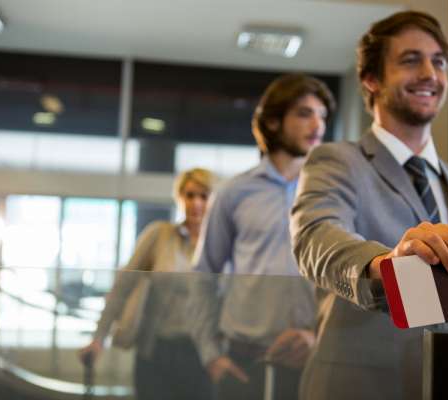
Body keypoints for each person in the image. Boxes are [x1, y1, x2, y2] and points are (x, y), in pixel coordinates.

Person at [290, 11, 448, 400]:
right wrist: (389, 264)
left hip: (444, 381)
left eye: (439, 62)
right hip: (355, 387)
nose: (430, 73)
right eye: (411, 60)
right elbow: (315, 238)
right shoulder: (336, 160)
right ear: (371, 79)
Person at [189, 74, 336, 400]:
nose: (318, 125)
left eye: (322, 115)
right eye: (304, 113)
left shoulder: (332, 192)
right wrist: (211, 355)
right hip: (244, 360)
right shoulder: (234, 192)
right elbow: (203, 275)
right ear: (272, 121)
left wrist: (319, 336)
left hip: (313, 355)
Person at [79, 168, 215, 400]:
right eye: (190, 195)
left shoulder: (218, 243)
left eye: (204, 196)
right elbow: (122, 287)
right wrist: (98, 338)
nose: (196, 203)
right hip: (156, 351)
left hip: (203, 354)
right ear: (180, 197)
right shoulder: (159, 235)